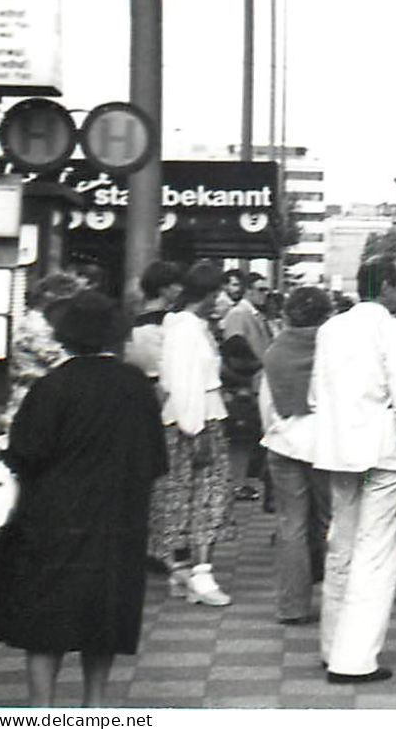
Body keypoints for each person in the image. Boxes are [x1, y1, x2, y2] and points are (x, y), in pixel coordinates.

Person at [0, 292, 167, 706]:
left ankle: (41, 709)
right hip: (117, 520)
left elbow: (24, 455)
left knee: (43, 622)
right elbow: (155, 460)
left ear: (64, 334)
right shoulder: (136, 387)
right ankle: (95, 704)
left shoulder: (51, 386)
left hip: (49, 521)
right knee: (102, 617)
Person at [310, 257, 396, 684]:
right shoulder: (391, 329)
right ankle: (354, 659)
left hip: (338, 451)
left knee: (341, 543)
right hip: (382, 452)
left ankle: (331, 645)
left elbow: (315, 395)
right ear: (385, 287)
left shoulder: (330, 328)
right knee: (376, 548)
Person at [149, 261, 237, 606]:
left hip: (189, 419)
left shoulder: (183, 327)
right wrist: (196, 430)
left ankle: (182, 571)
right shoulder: (187, 331)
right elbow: (185, 384)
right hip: (198, 420)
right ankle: (201, 572)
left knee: (182, 498)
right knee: (207, 497)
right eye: (217, 293)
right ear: (208, 294)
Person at [260, 286, 335, 625]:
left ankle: (292, 606)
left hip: (284, 443)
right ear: (326, 315)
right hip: (327, 447)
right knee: (331, 522)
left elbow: (267, 404)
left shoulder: (275, 351)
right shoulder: (334, 349)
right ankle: (335, 599)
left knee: (292, 525)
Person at [221, 272, 274, 503]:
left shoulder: (255, 315)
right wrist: (255, 366)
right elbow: (234, 349)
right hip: (245, 385)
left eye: (267, 290)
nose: (265, 294)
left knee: (248, 437)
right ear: (248, 290)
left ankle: (242, 482)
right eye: (260, 289)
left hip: (256, 384)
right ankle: (237, 483)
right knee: (240, 438)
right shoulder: (239, 314)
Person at [7, 273, 84, 423]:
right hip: (35, 403)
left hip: (36, 399)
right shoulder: (38, 327)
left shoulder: (38, 323)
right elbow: (62, 362)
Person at [123, 260, 183, 382]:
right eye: (176, 284)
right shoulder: (172, 321)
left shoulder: (131, 324)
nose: (180, 289)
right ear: (164, 289)